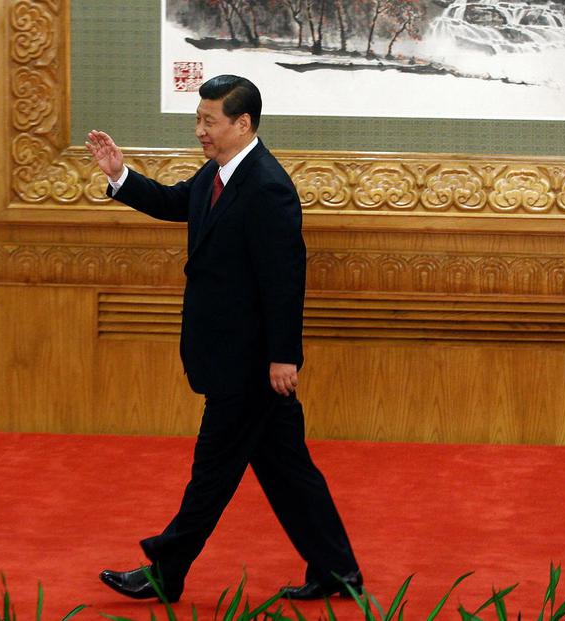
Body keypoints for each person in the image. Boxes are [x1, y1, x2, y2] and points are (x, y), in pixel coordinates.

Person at [85, 75, 362, 604]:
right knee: (288, 473)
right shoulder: (221, 173)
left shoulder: (267, 186)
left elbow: (285, 278)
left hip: (251, 364)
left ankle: (166, 571)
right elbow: (174, 203)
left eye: (209, 122)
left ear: (243, 123)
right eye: (199, 119)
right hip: (229, 357)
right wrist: (120, 176)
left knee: (211, 472)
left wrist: (284, 356)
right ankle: (338, 572)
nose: (200, 131)